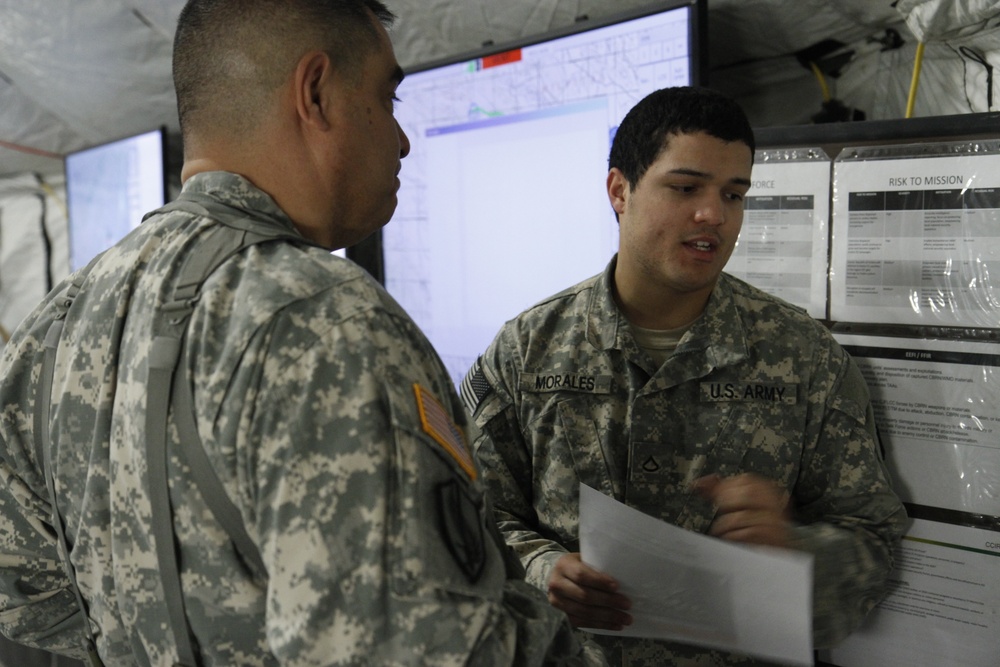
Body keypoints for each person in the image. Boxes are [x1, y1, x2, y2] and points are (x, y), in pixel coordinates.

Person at [0, 1, 603, 665]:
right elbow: (425, 649)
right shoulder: (329, 319)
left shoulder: (59, 320)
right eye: (386, 95)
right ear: (314, 93)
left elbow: (19, 586)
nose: (402, 139)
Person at [460, 86, 908, 666]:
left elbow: (872, 543)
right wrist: (545, 570)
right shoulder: (528, 352)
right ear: (620, 191)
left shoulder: (805, 359)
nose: (713, 215)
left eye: (733, 194)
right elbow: (472, 519)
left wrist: (795, 549)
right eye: (685, 187)